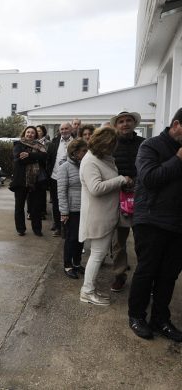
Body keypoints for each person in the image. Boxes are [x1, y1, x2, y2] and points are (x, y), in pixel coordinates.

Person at [127, 108, 182, 341]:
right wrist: (178, 159)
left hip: (178, 223)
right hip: (151, 219)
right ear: (177, 124)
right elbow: (149, 179)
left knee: (169, 275)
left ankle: (160, 319)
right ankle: (136, 316)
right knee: (147, 270)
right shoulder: (150, 146)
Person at [79, 127, 131, 306]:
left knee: (98, 254)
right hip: (98, 216)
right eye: (112, 145)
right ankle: (87, 292)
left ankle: (89, 289)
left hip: (105, 214)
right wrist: (121, 180)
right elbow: (95, 188)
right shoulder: (90, 161)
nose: (114, 148)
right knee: (97, 255)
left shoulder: (102, 158)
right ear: (104, 144)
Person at [109, 111, 145, 293]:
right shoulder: (110, 145)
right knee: (118, 242)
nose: (125, 124)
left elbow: (149, 167)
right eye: (121, 121)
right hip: (118, 197)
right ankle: (120, 275)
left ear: (134, 123)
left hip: (141, 199)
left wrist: (136, 183)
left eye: (128, 120)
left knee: (143, 242)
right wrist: (121, 181)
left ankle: (145, 277)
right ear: (116, 125)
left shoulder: (144, 144)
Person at [58, 139, 88, 278]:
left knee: (81, 238)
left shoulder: (85, 165)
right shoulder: (65, 167)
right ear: (75, 152)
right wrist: (64, 211)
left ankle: (77, 263)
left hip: (85, 208)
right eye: (84, 151)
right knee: (72, 238)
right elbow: (61, 191)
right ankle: (67, 265)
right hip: (72, 210)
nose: (86, 153)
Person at [10, 126, 47, 236]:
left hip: (36, 180)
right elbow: (19, 159)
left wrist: (29, 155)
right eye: (28, 132)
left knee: (36, 207)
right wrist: (36, 157)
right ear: (24, 133)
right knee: (19, 206)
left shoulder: (40, 146)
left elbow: (44, 157)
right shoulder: (18, 144)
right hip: (21, 180)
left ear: (35, 135)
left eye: (32, 133)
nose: (30, 134)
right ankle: (21, 229)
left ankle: (37, 229)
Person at [47, 122, 74, 237]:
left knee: (70, 203)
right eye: (62, 129)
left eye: (66, 128)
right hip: (55, 177)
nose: (64, 131)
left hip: (71, 178)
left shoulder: (76, 141)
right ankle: (58, 227)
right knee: (56, 204)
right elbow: (49, 157)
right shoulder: (54, 141)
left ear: (71, 129)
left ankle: (68, 228)